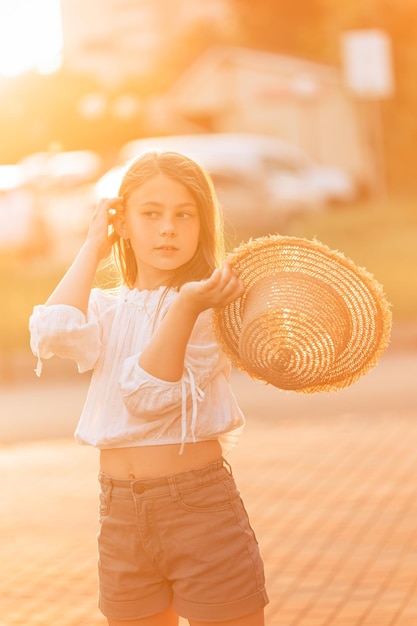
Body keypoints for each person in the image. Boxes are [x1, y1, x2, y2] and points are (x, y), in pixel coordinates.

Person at [29, 150, 269, 626]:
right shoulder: (108, 306)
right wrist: (93, 245)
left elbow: (147, 397)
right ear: (123, 222)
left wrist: (185, 307)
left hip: (198, 508)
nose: (167, 229)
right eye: (151, 214)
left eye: (184, 215)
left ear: (202, 225)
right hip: (119, 511)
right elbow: (53, 333)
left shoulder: (208, 307)